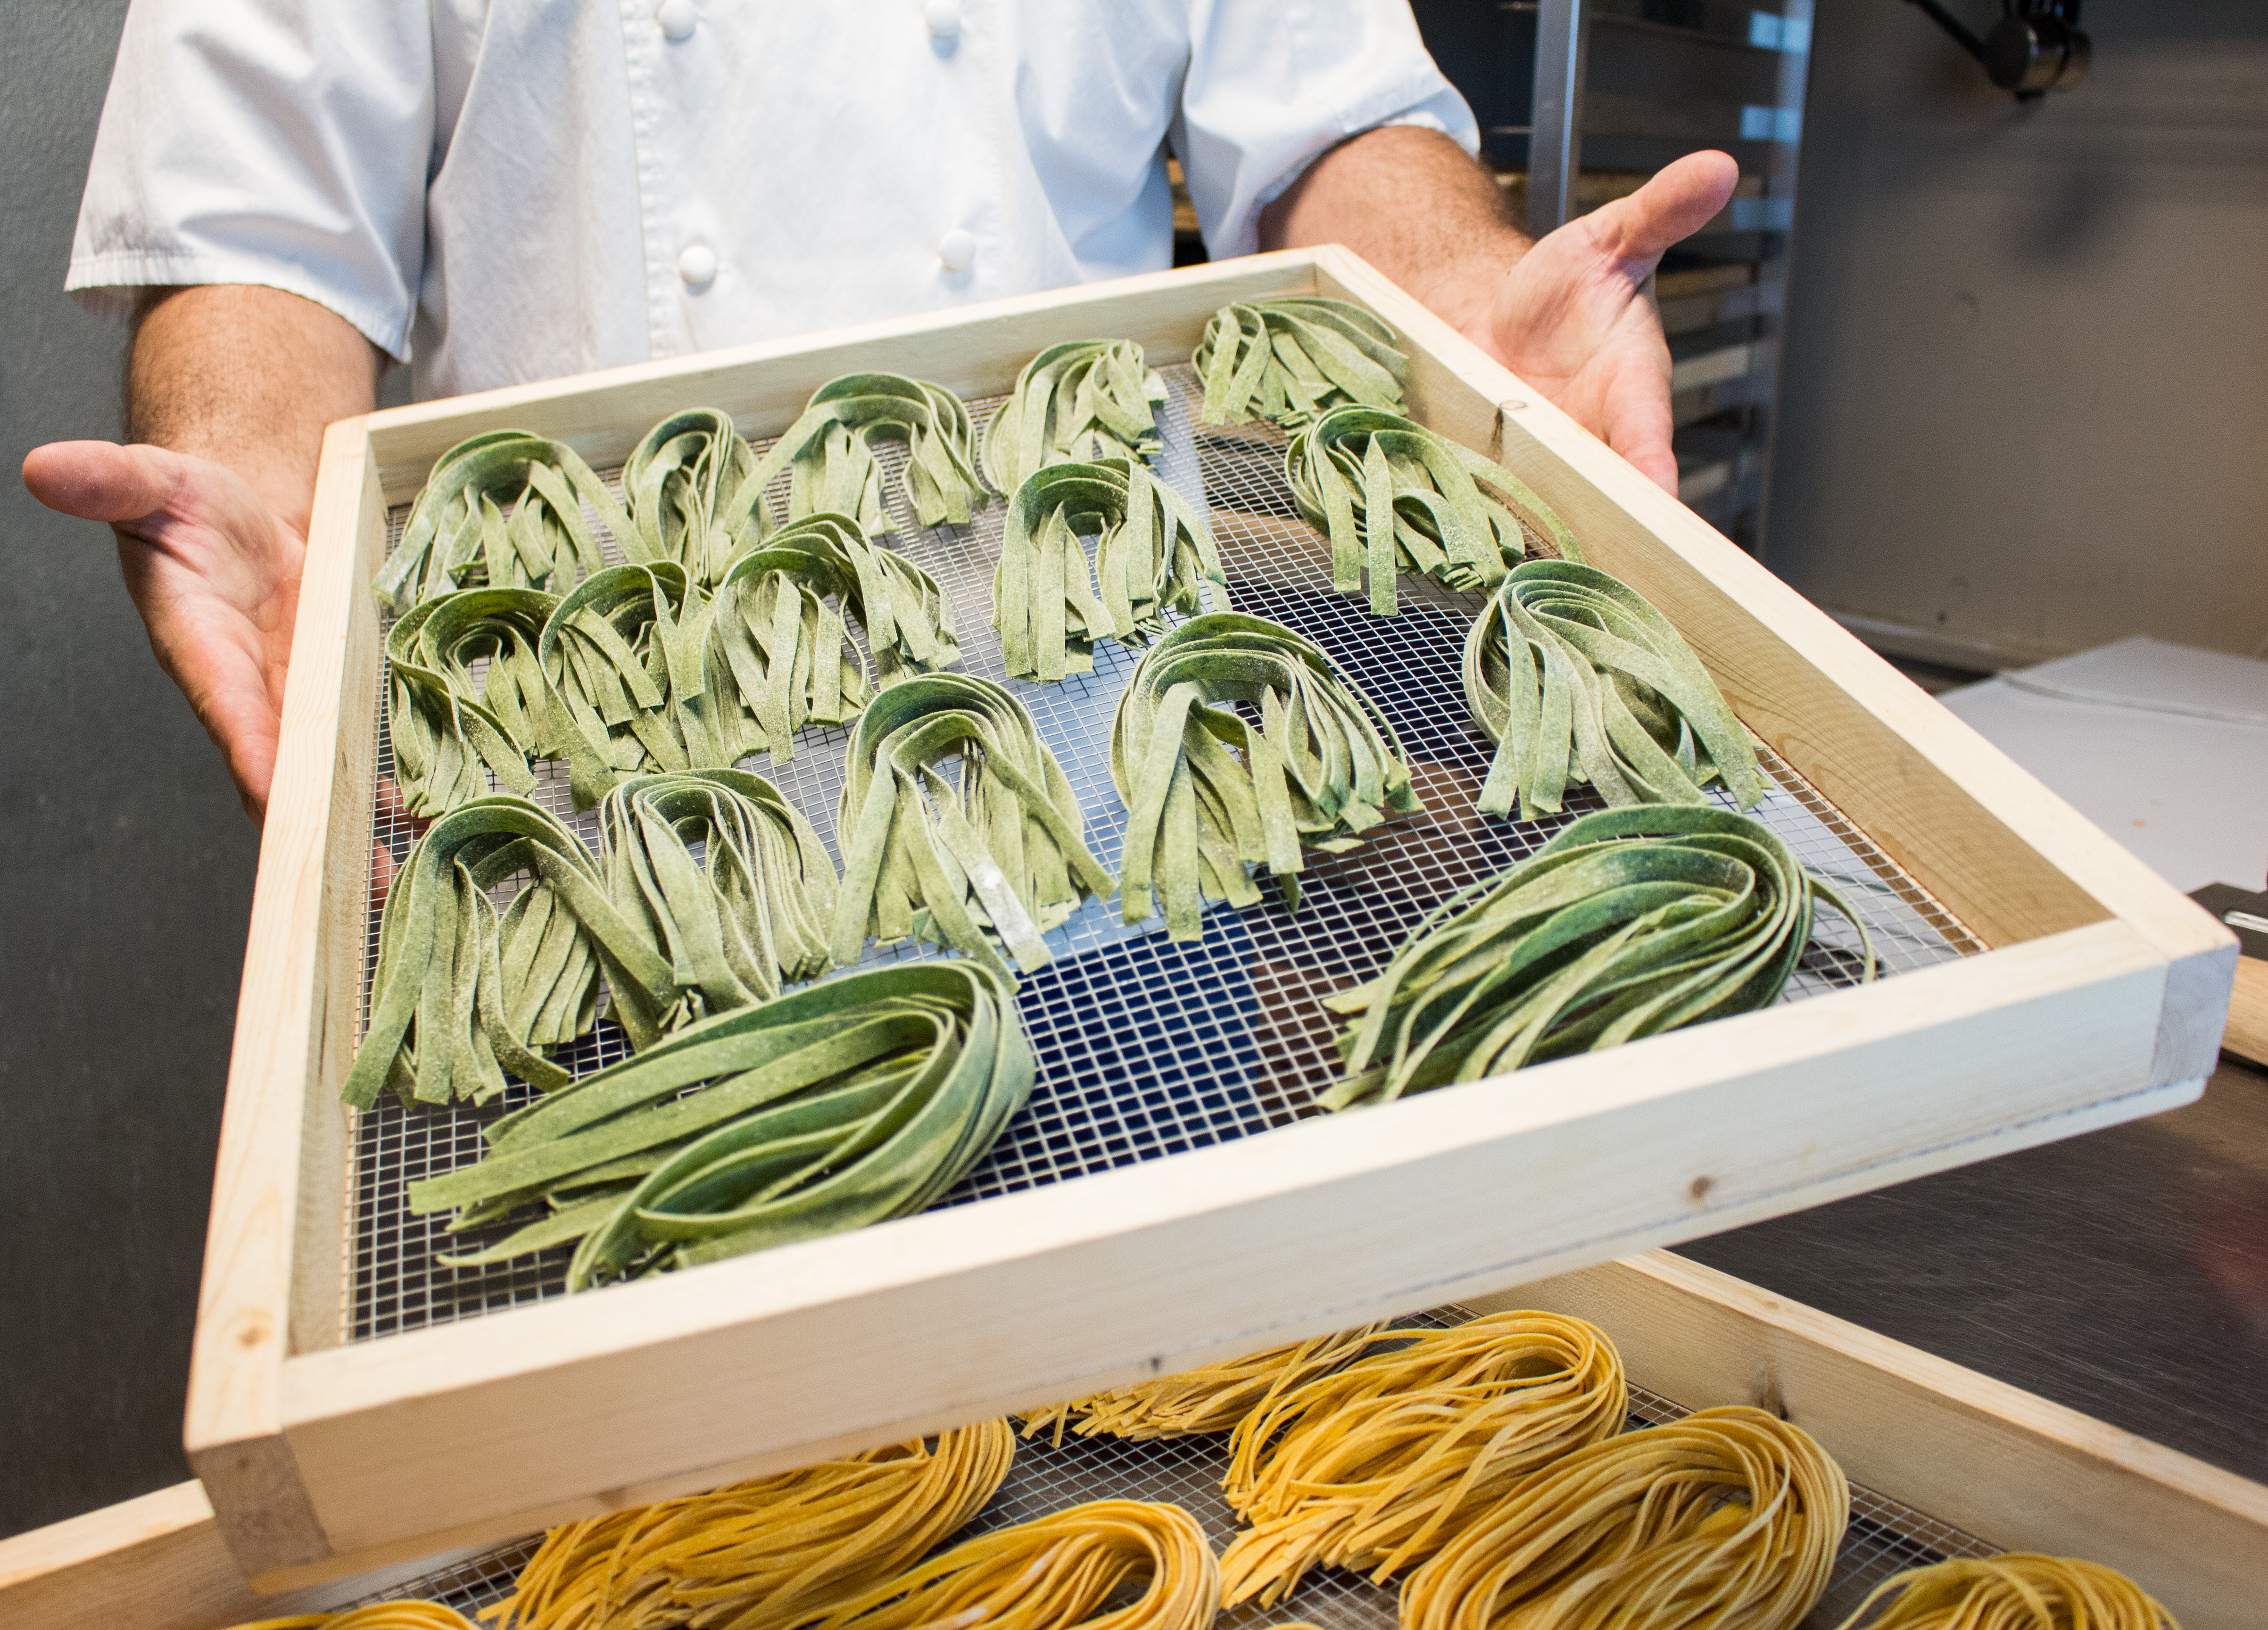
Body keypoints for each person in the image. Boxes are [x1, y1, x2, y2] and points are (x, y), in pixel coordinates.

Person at [23, 2, 1736, 823]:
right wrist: (252, 469)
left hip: (1102, 755)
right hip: (594, 789)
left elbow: (1328, 127)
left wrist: (1455, 291)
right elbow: (257, 240)